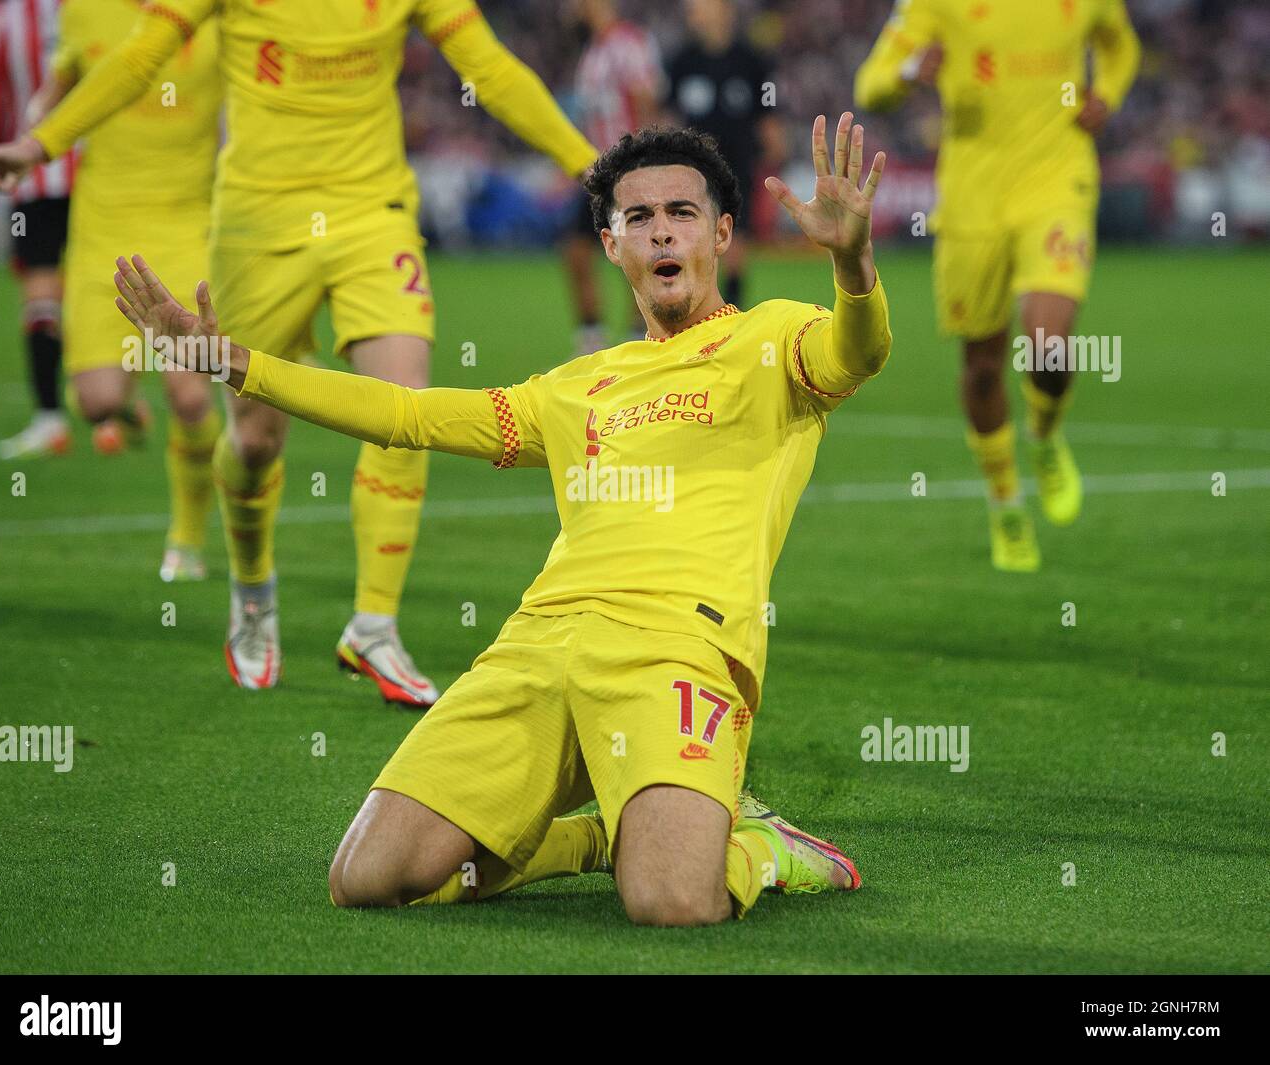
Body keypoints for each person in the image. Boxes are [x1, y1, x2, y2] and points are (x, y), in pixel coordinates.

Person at [112, 113, 889, 925]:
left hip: (677, 647)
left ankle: (759, 845)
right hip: (540, 642)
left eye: (682, 214)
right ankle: (598, 837)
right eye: (638, 218)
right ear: (612, 244)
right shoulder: (573, 385)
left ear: (722, 233)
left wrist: (852, 264)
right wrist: (235, 363)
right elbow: (405, 415)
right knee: (368, 877)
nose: (661, 233)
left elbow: (856, 354)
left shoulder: (773, 340)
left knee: (673, 900)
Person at [0, 0, 598, 701]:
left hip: (372, 214)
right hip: (256, 227)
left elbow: (491, 69)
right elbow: (139, 57)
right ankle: (252, 587)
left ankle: (374, 625)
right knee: (257, 439)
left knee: (405, 406)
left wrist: (589, 164)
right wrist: (40, 144)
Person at [856, 0, 1139, 571]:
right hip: (972, 197)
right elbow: (871, 85)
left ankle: (1044, 432)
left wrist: (1106, 91)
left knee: (1047, 342)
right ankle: (1006, 502)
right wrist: (909, 73)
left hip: (1057, 179)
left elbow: (1119, 43)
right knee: (983, 365)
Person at [39, 0, 222, 581]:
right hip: (103, 231)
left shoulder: (217, 14)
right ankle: (127, 411)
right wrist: (31, 138)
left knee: (192, 399)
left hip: (188, 226)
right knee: (96, 405)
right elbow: (54, 92)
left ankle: (187, 539)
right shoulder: (83, 12)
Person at [0, 0, 76, 461]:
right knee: (120, 286)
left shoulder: (5, 17)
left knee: (41, 296)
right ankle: (115, 408)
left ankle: (51, 418)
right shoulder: (101, 10)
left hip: (33, 177)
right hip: (102, 177)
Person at [665, 0, 785, 309]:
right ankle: (690, 307)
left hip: (736, 167)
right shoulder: (682, 61)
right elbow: (668, 116)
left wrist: (773, 150)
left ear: (723, 9)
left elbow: (767, 115)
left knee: (733, 238)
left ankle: (731, 311)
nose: (693, 11)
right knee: (691, 238)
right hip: (691, 169)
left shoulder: (752, 61)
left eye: (700, 5)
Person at [562, 0, 663, 353]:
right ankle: (591, 339)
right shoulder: (593, 50)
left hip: (625, 166)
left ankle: (641, 335)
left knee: (631, 249)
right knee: (576, 250)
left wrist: (644, 158)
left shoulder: (627, 43)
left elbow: (645, 98)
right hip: (595, 167)